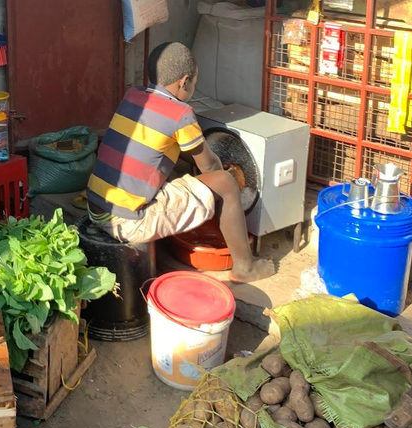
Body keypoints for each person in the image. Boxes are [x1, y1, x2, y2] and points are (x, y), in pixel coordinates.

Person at [86, 42, 275, 283]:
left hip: (96, 209)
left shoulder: (133, 96)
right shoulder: (180, 113)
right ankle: (245, 268)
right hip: (126, 223)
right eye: (194, 83)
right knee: (225, 183)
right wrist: (227, 172)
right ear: (184, 81)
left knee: (177, 169)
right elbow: (210, 168)